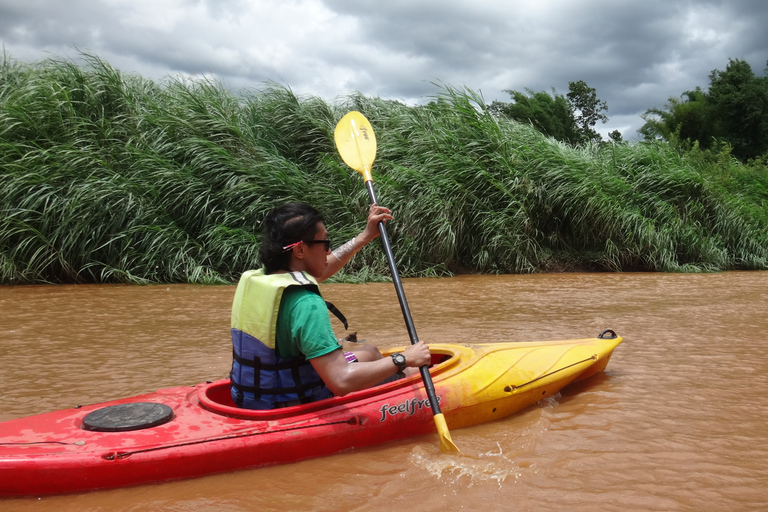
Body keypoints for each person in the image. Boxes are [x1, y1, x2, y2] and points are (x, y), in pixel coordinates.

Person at [230, 202, 431, 409]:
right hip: (293, 402)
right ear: (300, 250)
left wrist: (365, 236)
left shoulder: (261, 278)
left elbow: (322, 269)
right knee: (414, 372)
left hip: (253, 396)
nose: (329, 250)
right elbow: (341, 381)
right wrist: (404, 358)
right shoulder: (306, 303)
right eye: (324, 244)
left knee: (370, 351)